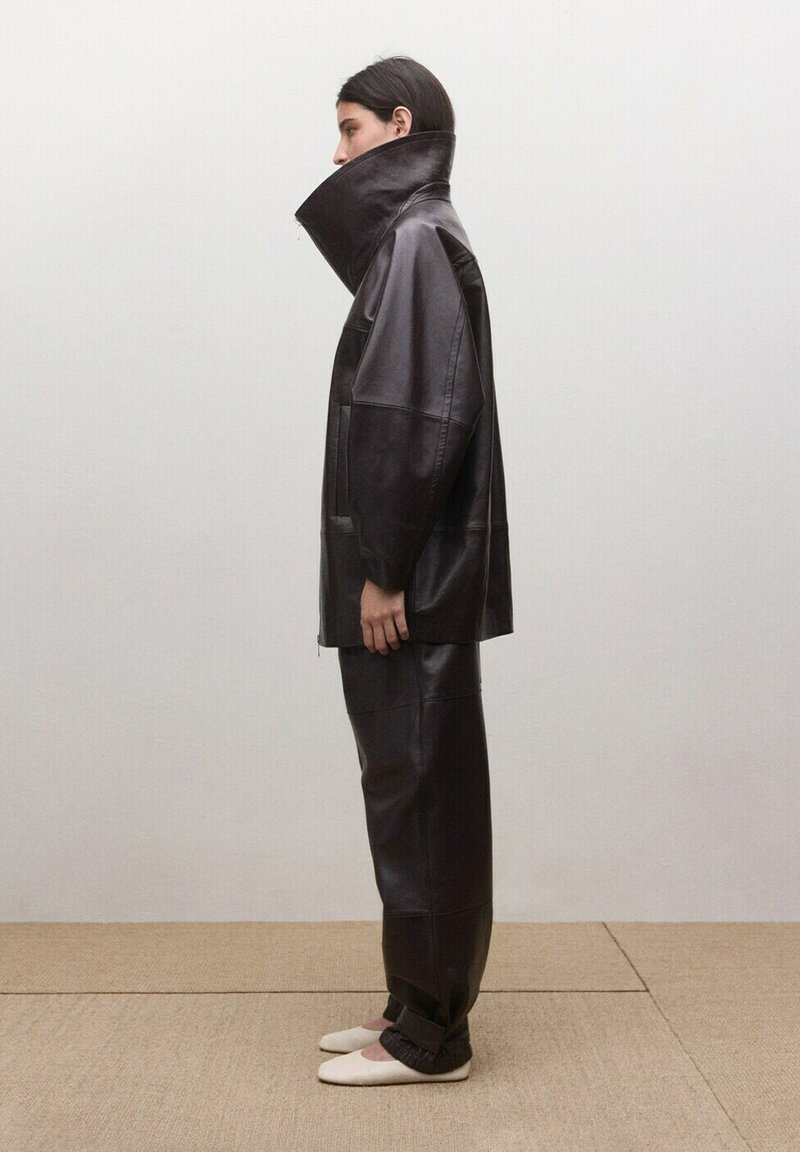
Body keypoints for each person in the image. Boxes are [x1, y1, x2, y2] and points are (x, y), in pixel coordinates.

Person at [295, 56, 513, 1086]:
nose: (336, 153)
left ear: (397, 122)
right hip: (414, 575)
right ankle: (410, 1004)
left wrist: (381, 568)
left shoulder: (419, 238)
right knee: (411, 787)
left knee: (420, 793)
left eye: (349, 129)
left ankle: (431, 1037)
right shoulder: (418, 237)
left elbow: (415, 415)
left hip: (408, 583)